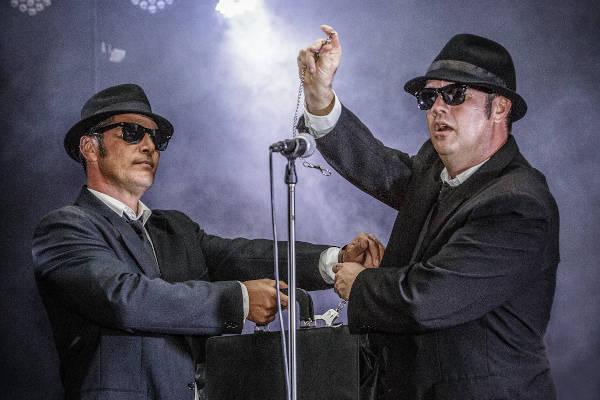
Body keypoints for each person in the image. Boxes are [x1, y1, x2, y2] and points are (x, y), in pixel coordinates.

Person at [32, 83, 383, 400]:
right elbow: (125, 298)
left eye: (157, 139)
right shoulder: (66, 227)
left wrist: (334, 260)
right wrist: (238, 301)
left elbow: (242, 256)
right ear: (90, 147)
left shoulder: (175, 227)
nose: (149, 146)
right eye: (132, 132)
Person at [297, 26, 560, 399]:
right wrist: (319, 95)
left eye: (455, 94)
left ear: (500, 107)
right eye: (429, 97)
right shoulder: (433, 166)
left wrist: (363, 284)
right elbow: (379, 168)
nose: (438, 107)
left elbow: (429, 298)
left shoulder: (518, 203)